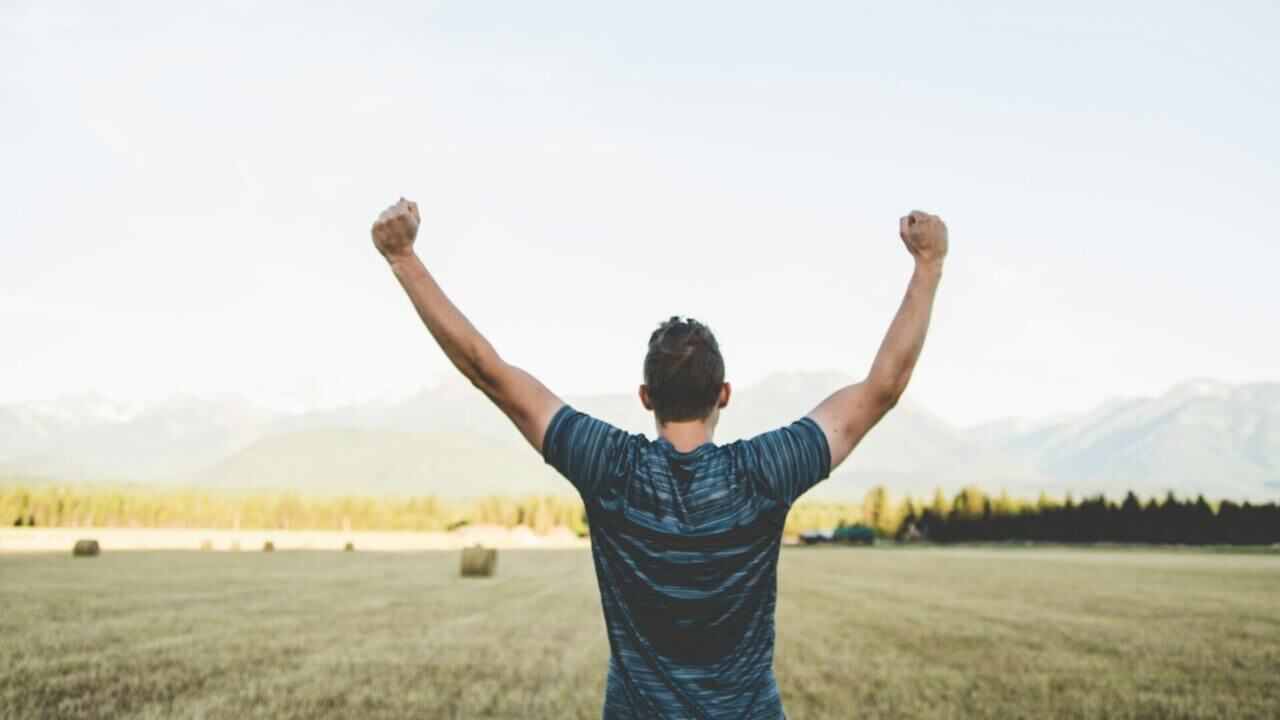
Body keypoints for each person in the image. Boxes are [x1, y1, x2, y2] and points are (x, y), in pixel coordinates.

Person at [371, 198, 947, 719]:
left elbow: (487, 371)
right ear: (724, 393)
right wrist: (928, 265)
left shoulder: (610, 468)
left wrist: (403, 258)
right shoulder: (764, 473)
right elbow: (882, 388)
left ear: (646, 396)